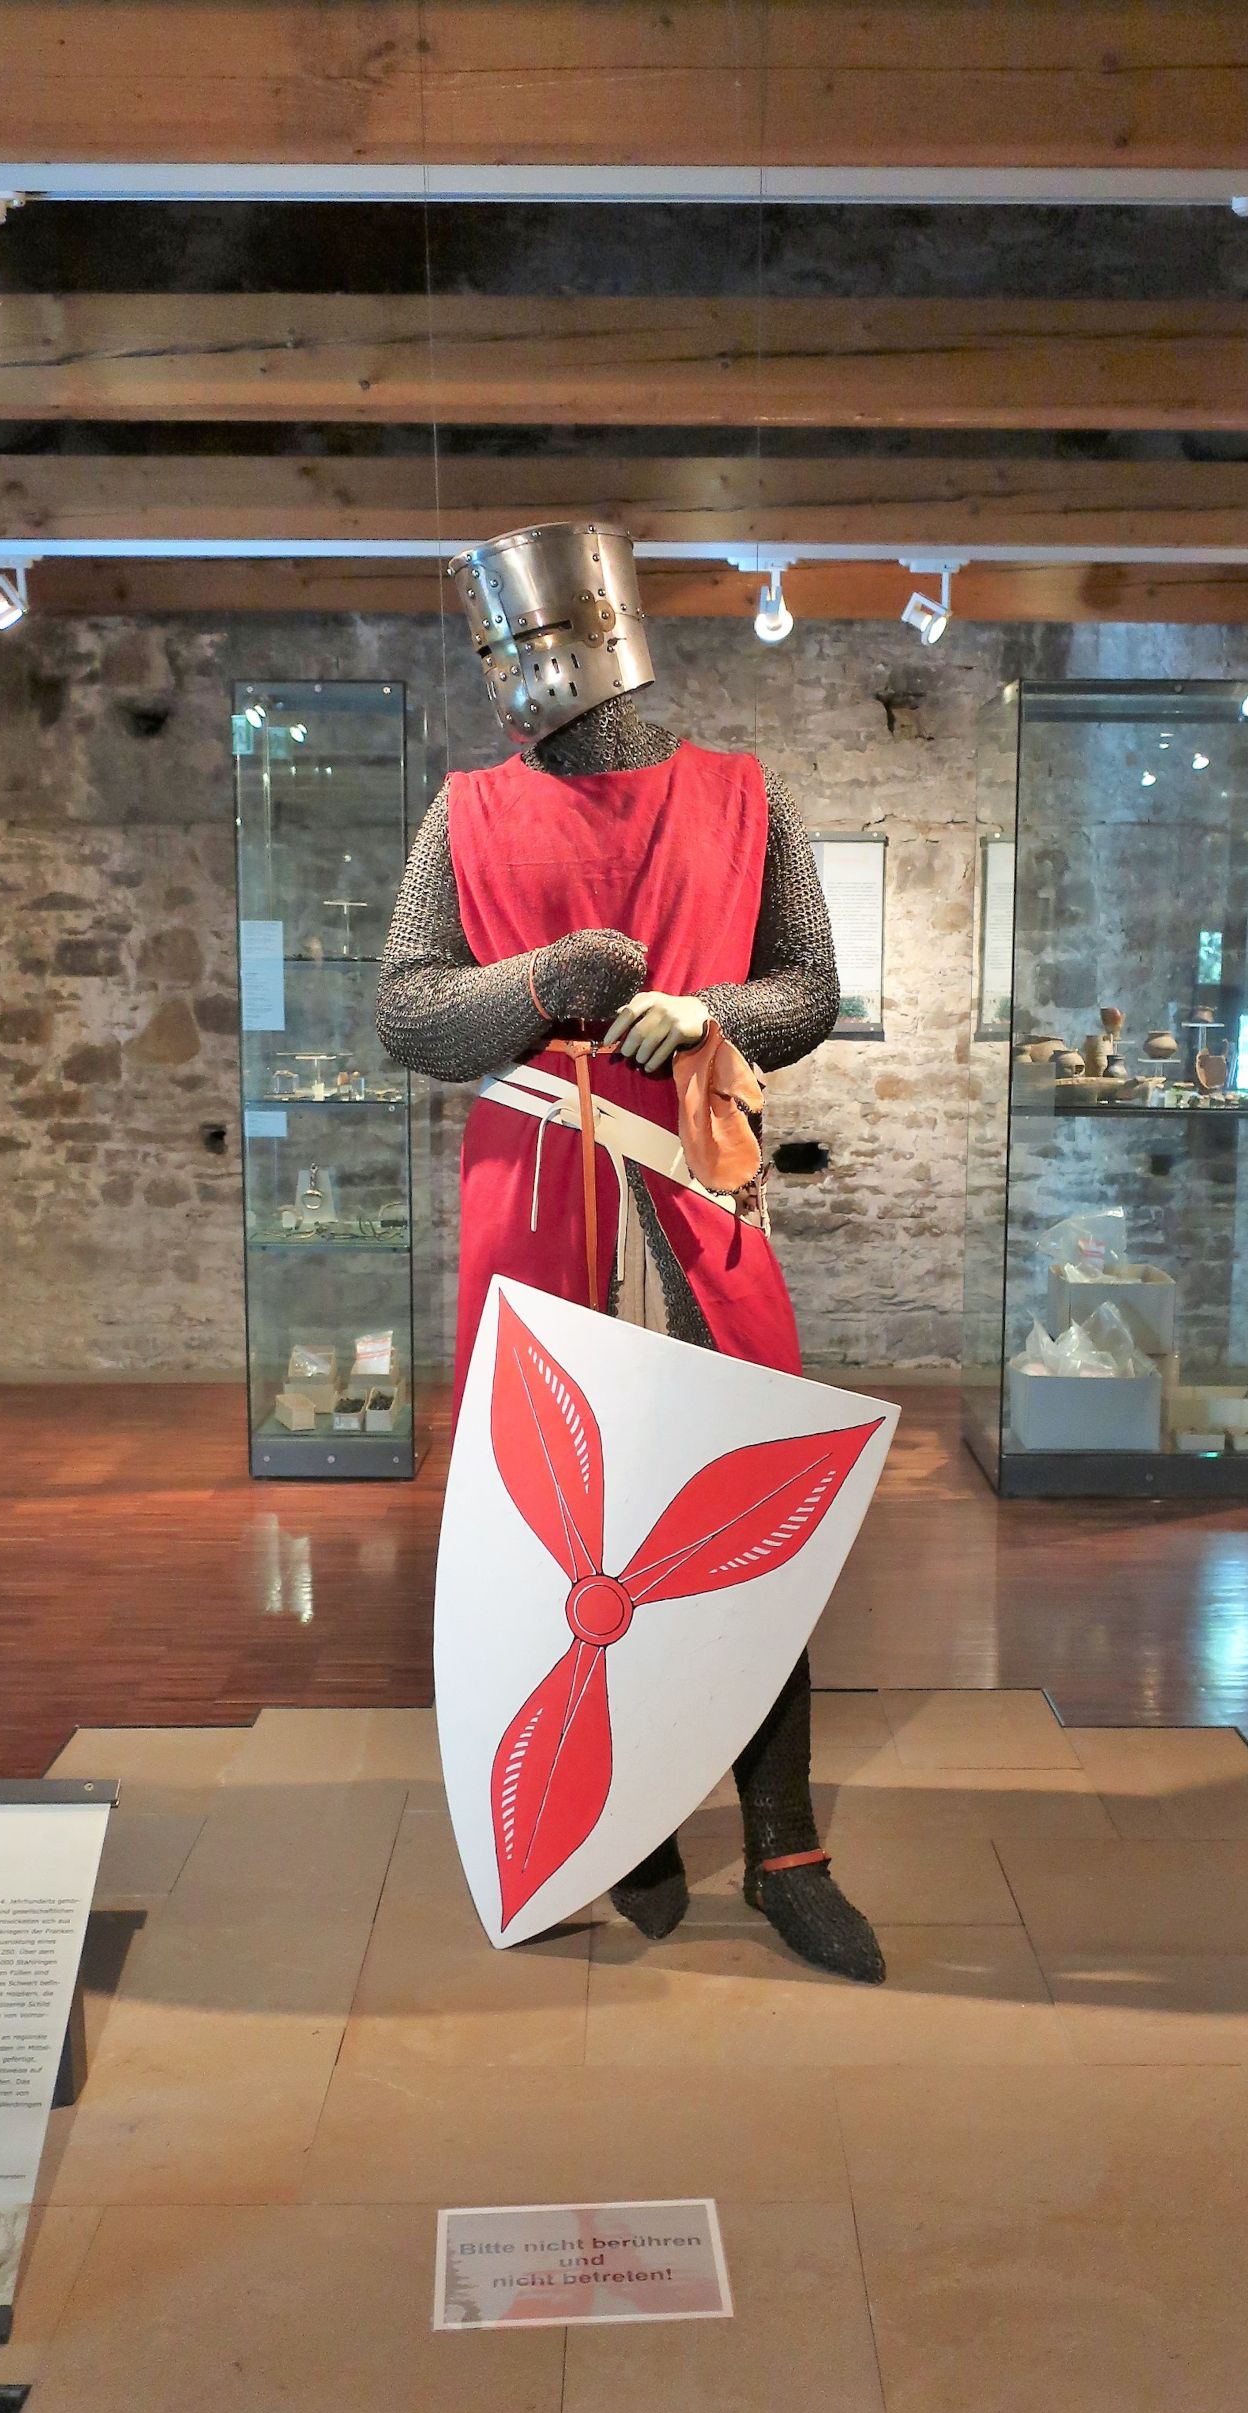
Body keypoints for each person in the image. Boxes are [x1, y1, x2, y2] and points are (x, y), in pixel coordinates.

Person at [377, 520, 884, 1983]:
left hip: (691, 1190)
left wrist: (713, 1009)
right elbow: (409, 1010)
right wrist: (546, 980)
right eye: (497, 655)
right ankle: (622, 1826)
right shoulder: (469, 810)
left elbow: (809, 987)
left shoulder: (739, 795)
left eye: (529, 648)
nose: (516, 681)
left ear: (595, 633)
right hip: (532, 1197)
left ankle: (784, 1843)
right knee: (565, 1536)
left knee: (743, 1510)